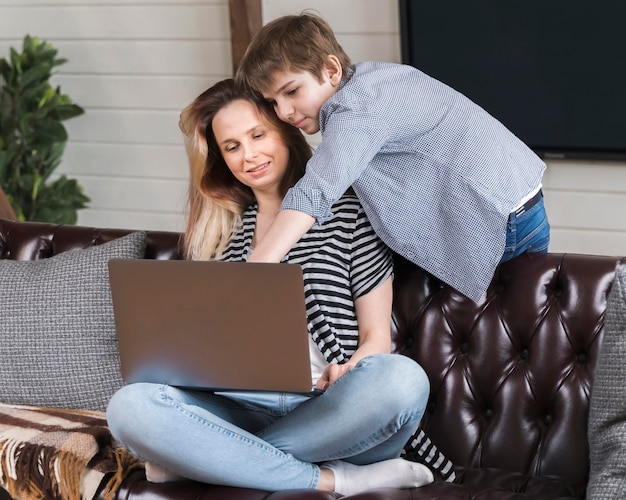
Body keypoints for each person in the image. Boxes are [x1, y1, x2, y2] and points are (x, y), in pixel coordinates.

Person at [106, 79, 441, 495]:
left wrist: (351, 368)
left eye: (257, 135)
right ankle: (335, 480)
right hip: (243, 407)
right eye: (231, 147)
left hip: (330, 411)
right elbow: (202, 351)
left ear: (285, 130)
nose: (249, 156)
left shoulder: (351, 211)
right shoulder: (222, 235)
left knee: (402, 381)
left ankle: (212, 461)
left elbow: (376, 340)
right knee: (130, 407)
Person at [235, 13, 551, 304]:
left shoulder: (357, 110)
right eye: (272, 102)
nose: (284, 112)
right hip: (520, 203)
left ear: (330, 70)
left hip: (500, 222)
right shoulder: (375, 79)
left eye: (291, 92)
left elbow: (316, 190)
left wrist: (251, 272)